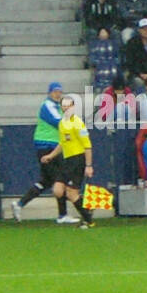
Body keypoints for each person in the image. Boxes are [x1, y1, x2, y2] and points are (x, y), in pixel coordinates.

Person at [12, 83, 66, 222]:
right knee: (60, 179)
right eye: (55, 91)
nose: (58, 94)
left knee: (46, 181)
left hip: (50, 145)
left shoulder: (57, 107)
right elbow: (58, 122)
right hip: (47, 145)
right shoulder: (48, 105)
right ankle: (63, 215)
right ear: (49, 93)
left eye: (59, 92)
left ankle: (20, 204)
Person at [41, 96, 96, 227]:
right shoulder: (62, 123)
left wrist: (88, 165)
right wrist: (51, 155)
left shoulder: (78, 123)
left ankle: (89, 221)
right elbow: (62, 143)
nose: (66, 108)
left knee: (72, 194)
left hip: (77, 160)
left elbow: (87, 145)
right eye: (63, 106)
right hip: (68, 161)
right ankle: (86, 209)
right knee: (58, 190)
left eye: (68, 105)